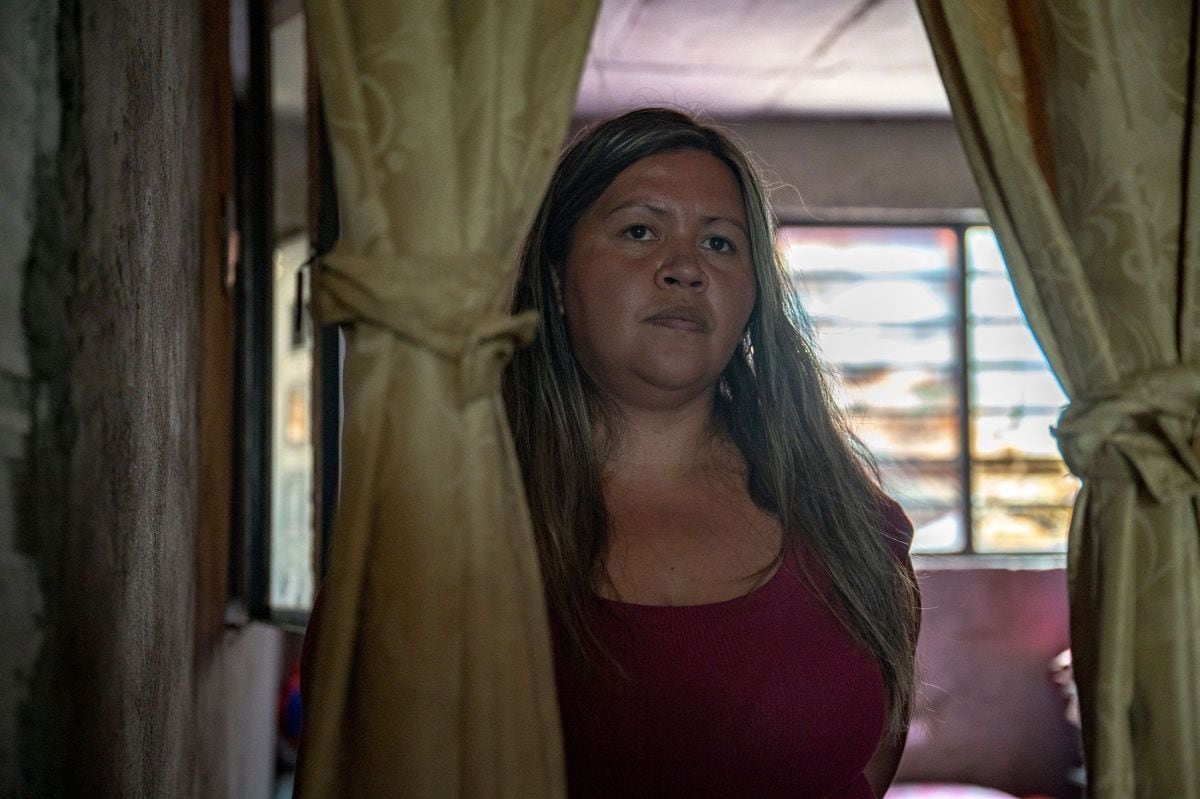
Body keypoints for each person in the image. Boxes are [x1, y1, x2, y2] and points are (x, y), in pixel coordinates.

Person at [504, 107, 922, 798]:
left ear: (754, 293)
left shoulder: (852, 524)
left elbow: (868, 760)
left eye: (721, 244)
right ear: (556, 279)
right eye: (639, 231)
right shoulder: (457, 522)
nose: (684, 268)